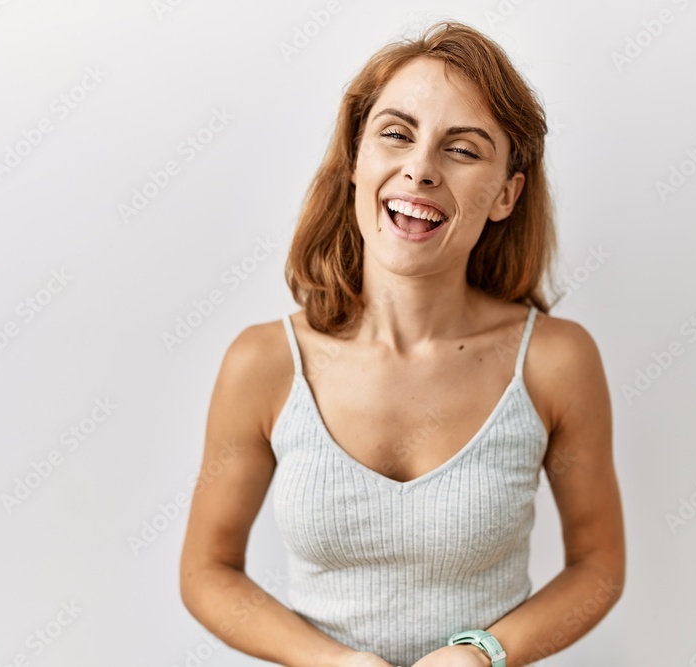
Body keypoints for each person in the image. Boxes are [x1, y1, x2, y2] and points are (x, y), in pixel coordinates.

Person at [179, 19, 624, 667]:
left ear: (506, 193)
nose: (420, 169)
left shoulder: (555, 361)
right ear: (356, 159)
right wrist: (334, 662)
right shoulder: (265, 363)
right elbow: (207, 569)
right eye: (396, 134)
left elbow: (598, 565)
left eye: (462, 149)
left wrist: (483, 653)